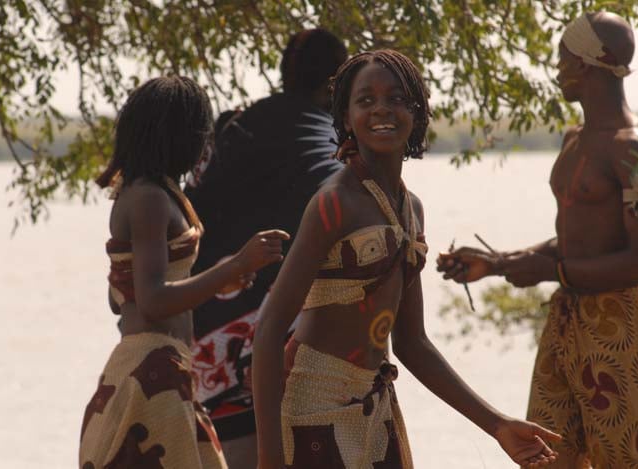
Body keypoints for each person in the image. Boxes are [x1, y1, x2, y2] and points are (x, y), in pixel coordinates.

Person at [252, 49, 561, 469]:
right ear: (344, 116)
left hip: (374, 405)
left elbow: (412, 344)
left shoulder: (409, 208)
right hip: (314, 410)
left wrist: (498, 425)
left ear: (417, 111)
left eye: (397, 99)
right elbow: (269, 329)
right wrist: (270, 457)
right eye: (366, 100)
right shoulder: (334, 204)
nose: (382, 109)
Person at [438, 12, 638, 468]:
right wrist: (498, 263)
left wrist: (552, 272)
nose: (557, 68)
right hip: (568, 319)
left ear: (587, 63)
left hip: (621, 325)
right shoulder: (574, 139)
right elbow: (576, 242)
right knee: (545, 456)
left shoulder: (634, 148)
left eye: (563, 56)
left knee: (626, 461)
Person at [78, 76, 289, 469]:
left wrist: (220, 277)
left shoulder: (156, 193)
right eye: (201, 134)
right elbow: (154, 300)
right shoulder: (149, 199)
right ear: (180, 137)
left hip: (162, 367)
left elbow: (119, 297)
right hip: (150, 373)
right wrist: (238, 264)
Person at [184, 28, 347, 468]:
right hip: (281, 354)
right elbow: (335, 194)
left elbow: (187, 216)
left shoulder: (232, 129)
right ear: (336, 84)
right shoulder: (326, 141)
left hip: (208, 354)